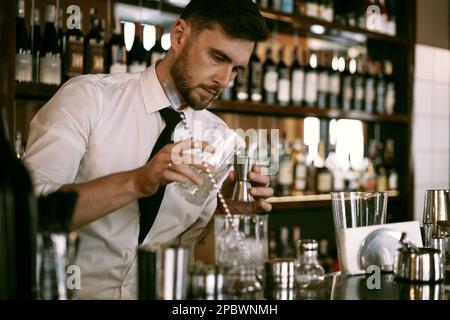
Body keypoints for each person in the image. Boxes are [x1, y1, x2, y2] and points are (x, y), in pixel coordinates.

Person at [24, 0, 272, 300]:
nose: (224, 80)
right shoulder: (88, 100)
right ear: (179, 35)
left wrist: (227, 216)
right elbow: (29, 212)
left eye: (236, 69)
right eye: (218, 57)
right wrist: (138, 181)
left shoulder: (223, 141)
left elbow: (200, 257)